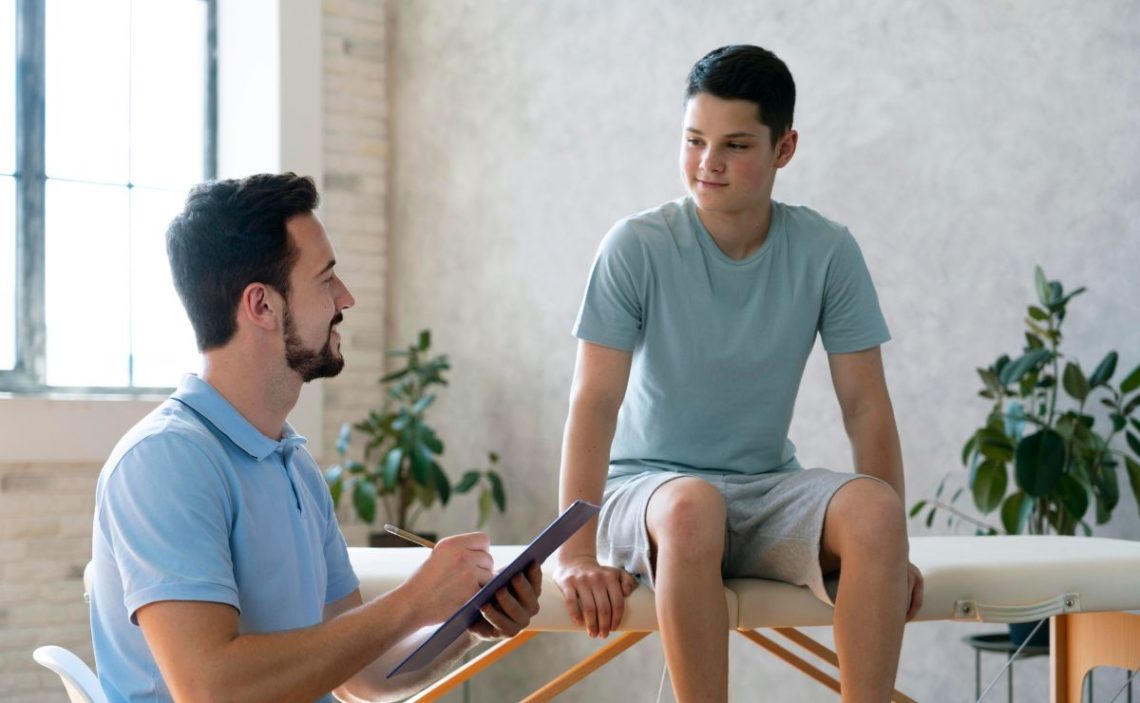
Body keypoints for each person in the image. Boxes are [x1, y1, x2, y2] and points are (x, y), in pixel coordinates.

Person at [552, 45, 923, 702]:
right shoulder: (636, 246)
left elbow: (865, 405)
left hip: (762, 488)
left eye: (735, 144)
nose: (707, 163)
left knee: (876, 514)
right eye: (694, 140)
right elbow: (594, 402)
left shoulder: (826, 251)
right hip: (651, 492)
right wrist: (576, 553)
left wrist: (892, 552)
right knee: (696, 508)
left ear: (785, 148)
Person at [89, 173, 541, 703]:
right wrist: (414, 601)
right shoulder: (165, 461)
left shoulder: (293, 465)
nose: (345, 297)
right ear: (261, 305)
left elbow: (363, 677)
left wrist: (468, 621)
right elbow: (212, 689)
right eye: (326, 278)